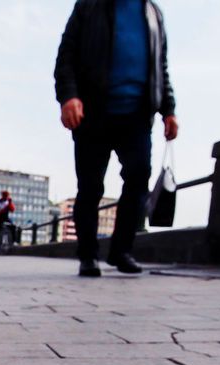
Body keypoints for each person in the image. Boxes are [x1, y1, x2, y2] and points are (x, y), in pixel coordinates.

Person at [54, 0, 179, 278]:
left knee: (138, 178)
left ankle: (122, 250)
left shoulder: (153, 13)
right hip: (92, 112)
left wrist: (168, 110)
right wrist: (69, 96)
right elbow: (67, 56)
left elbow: (161, 67)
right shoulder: (90, 6)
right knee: (90, 187)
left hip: (137, 115)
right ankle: (87, 256)